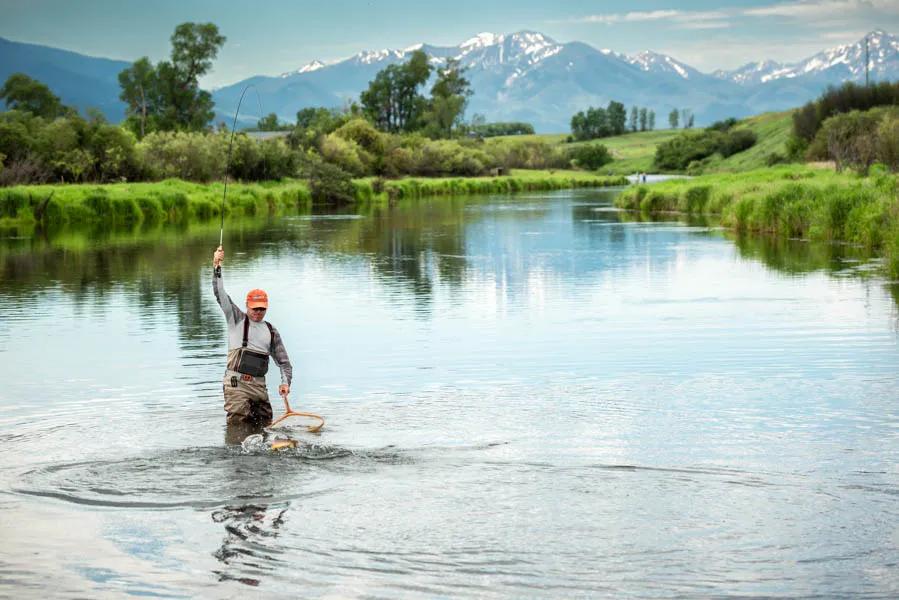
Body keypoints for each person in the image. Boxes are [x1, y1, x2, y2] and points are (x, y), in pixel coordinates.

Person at [212, 245, 292, 432]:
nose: (258, 312)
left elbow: (284, 363)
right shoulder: (235, 318)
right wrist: (216, 265)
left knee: (265, 428)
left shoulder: (271, 331)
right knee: (238, 428)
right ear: (247, 305)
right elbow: (220, 294)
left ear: (266, 307)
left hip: (259, 387)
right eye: (255, 308)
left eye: (261, 308)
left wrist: (285, 383)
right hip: (236, 384)